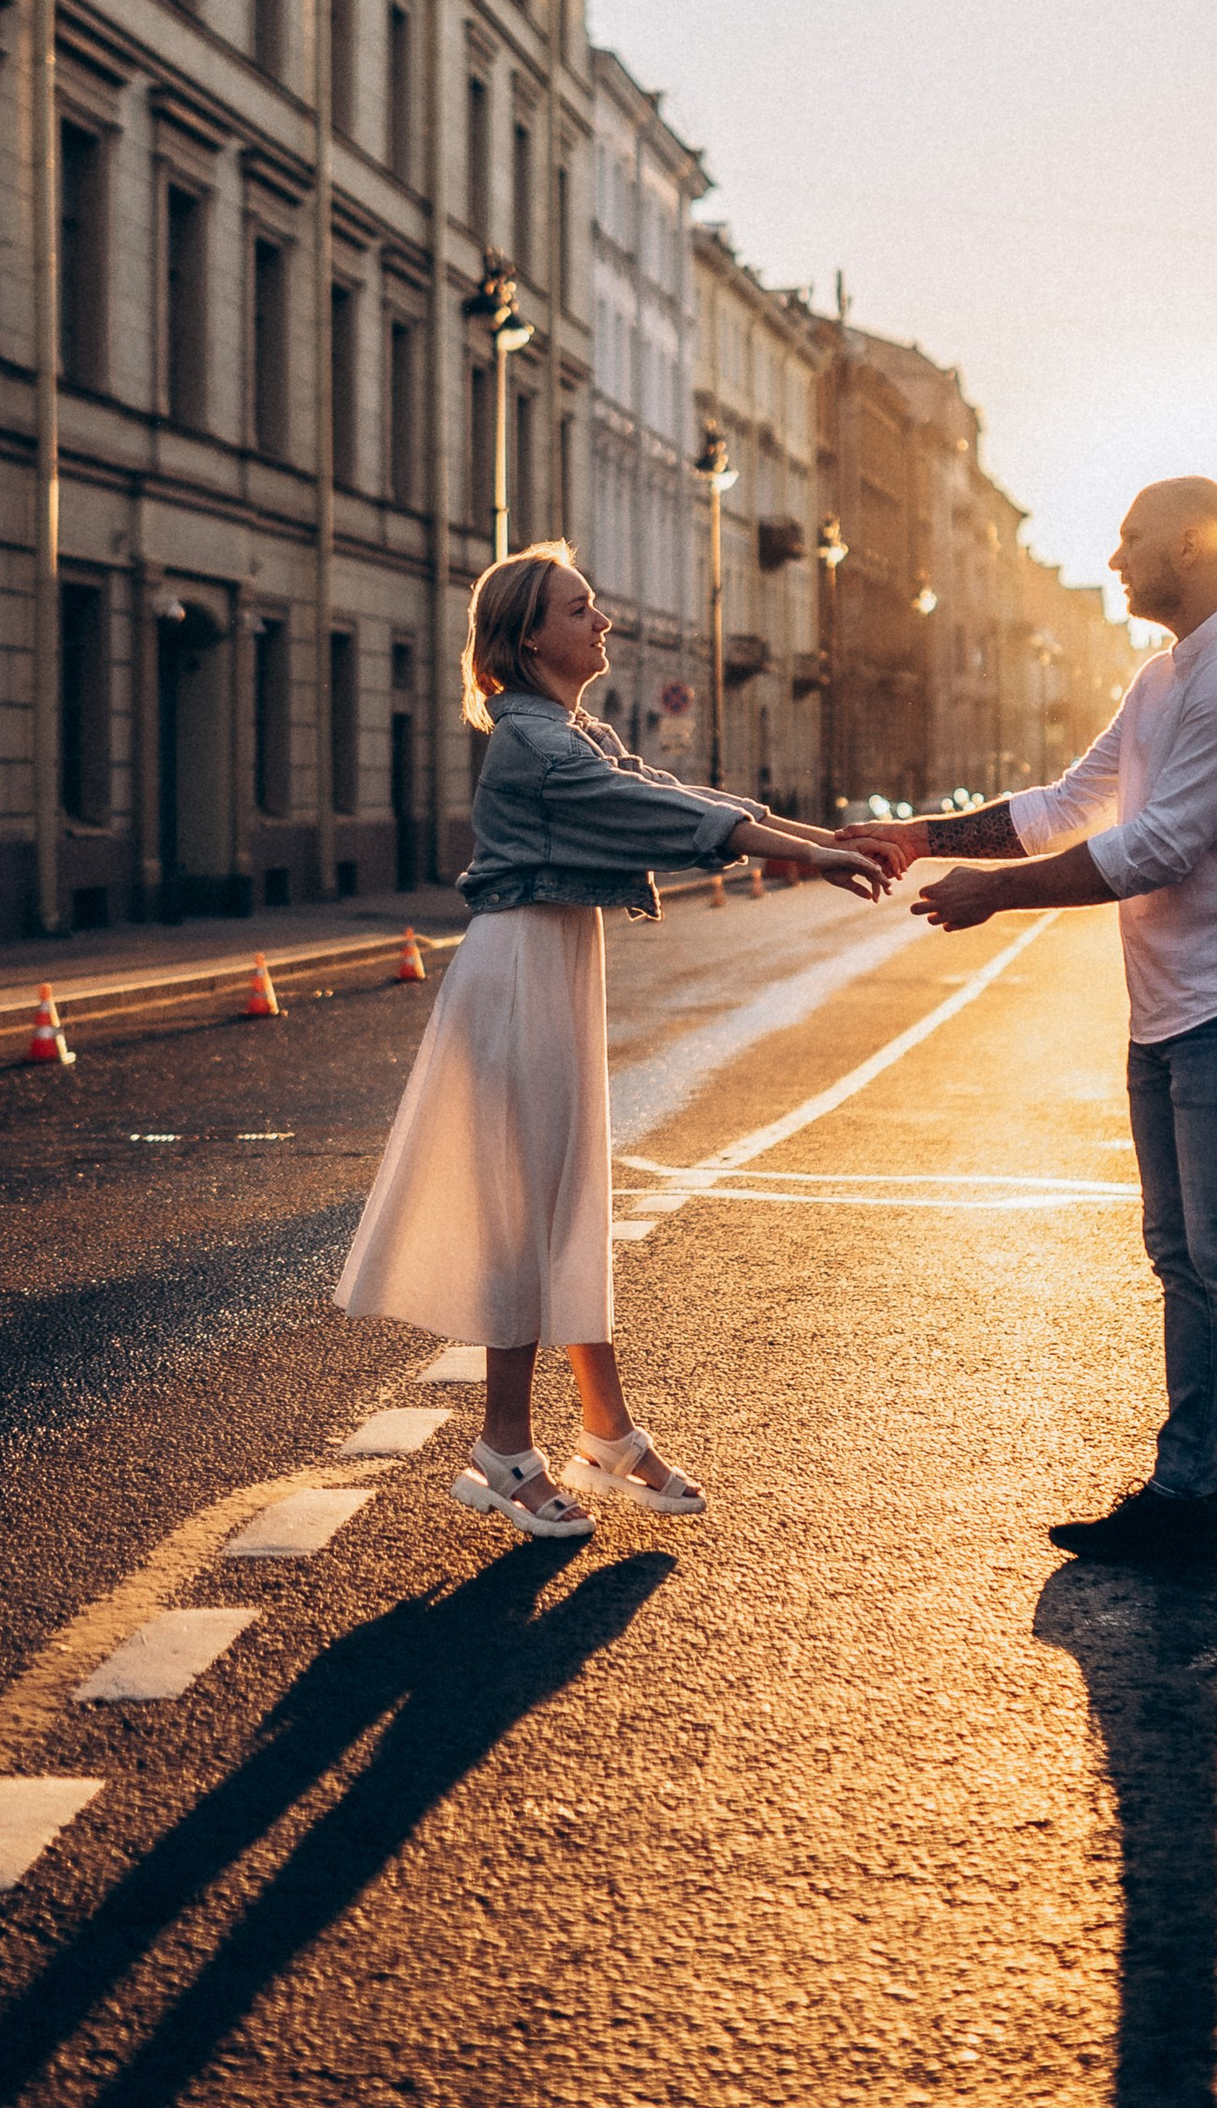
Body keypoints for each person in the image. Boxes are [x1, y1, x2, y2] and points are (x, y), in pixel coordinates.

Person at [861, 476, 1217, 1600]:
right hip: (1174, 1003)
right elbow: (1065, 803)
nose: (1113, 554)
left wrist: (996, 891)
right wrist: (921, 833)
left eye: (1133, 536)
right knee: (1184, 1256)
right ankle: (1185, 1496)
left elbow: (1161, 845)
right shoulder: (1160, 676)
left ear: (1192, 544)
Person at [335, 540, 895, 1539]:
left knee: (572, 1193)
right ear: (527, 635)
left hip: (554, 958)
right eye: (579, 607)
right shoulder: (534, 743)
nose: (603, 621)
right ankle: (504, 1446)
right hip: (516, 971)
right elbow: (659, 811)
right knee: (523, 1205)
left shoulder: (570, 728)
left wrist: (833, 843)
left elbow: (685, 795)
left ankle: (606, 1429)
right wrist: (817, 857)